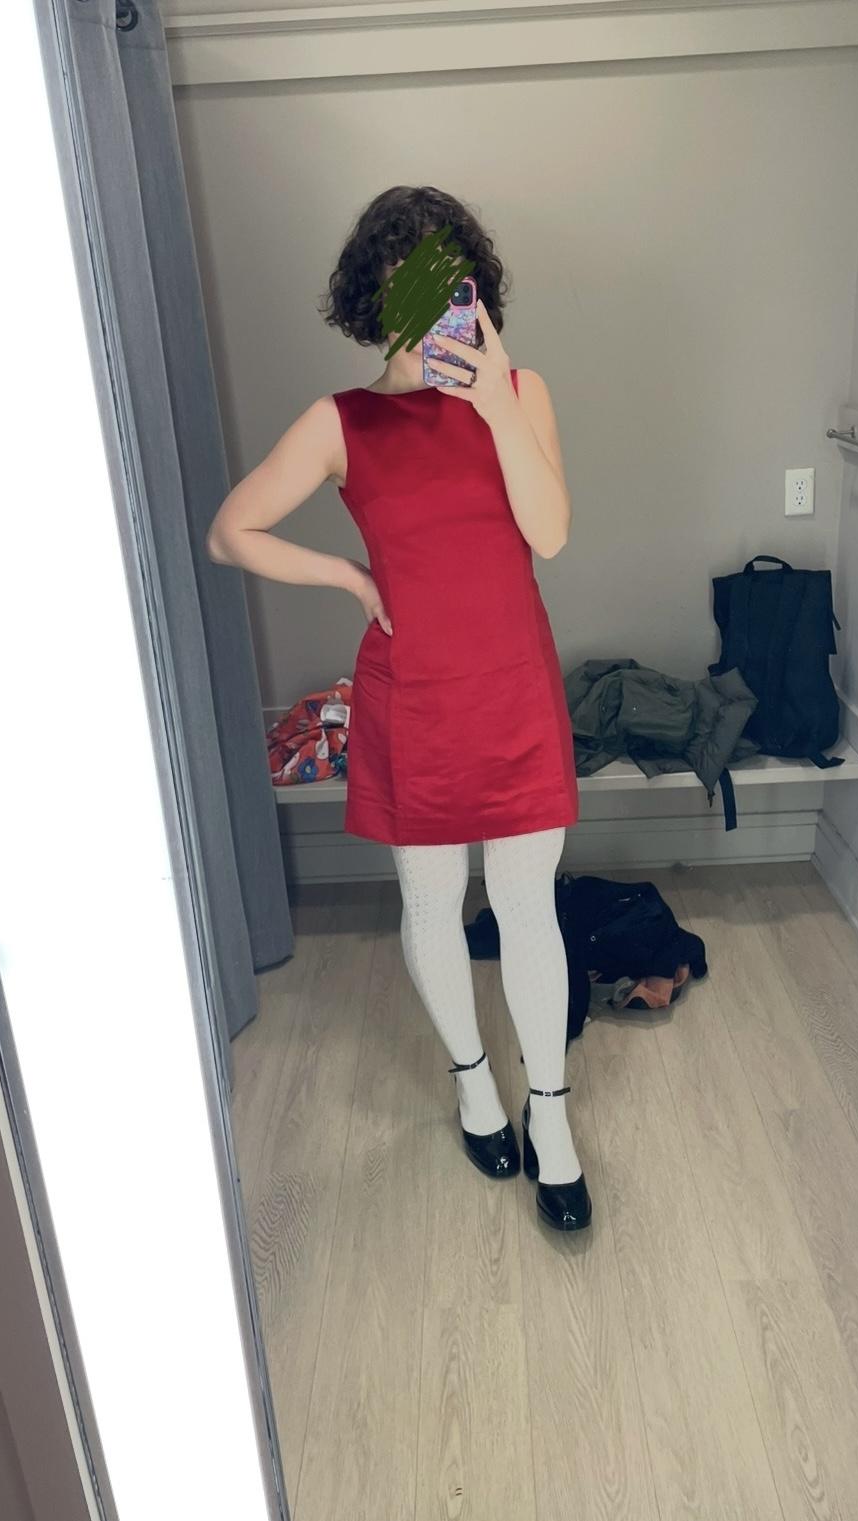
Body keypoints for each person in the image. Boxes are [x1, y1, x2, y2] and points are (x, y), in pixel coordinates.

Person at [207, 185, 590, 1231]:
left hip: (513, 687)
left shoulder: (522, 393)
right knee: (431, 902)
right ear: (373, 299)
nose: (427, 308)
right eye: (403, 286)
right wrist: (346, 576)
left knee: (528, 906)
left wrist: (496, 402)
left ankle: (552, 1117)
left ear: (474, 289)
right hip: (413, 697)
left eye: (446, 282)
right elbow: (232, 530)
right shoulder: (342, 422)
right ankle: (474, 1086)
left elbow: (551, 534)